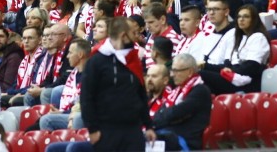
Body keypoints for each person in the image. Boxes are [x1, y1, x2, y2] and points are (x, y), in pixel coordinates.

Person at [81, 16, 150, 151]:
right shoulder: (96, 61)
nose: (137, 37)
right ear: (123, 35)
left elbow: (141, 94)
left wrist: (149, 126)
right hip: (106, 130)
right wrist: (93, 129)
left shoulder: (133, 59)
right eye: (133, 33)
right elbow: (86, 97)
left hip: (133, 130)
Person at [151, 53, 211, 151]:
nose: (172, 74)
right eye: (172, 70)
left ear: (190, 72)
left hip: (185, 141)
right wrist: (167, 115)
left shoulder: (200, 91)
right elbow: (160, 114)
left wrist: (166, 114)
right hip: (168, 135)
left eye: (176, 71)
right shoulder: (176, 91)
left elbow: (175, 113)